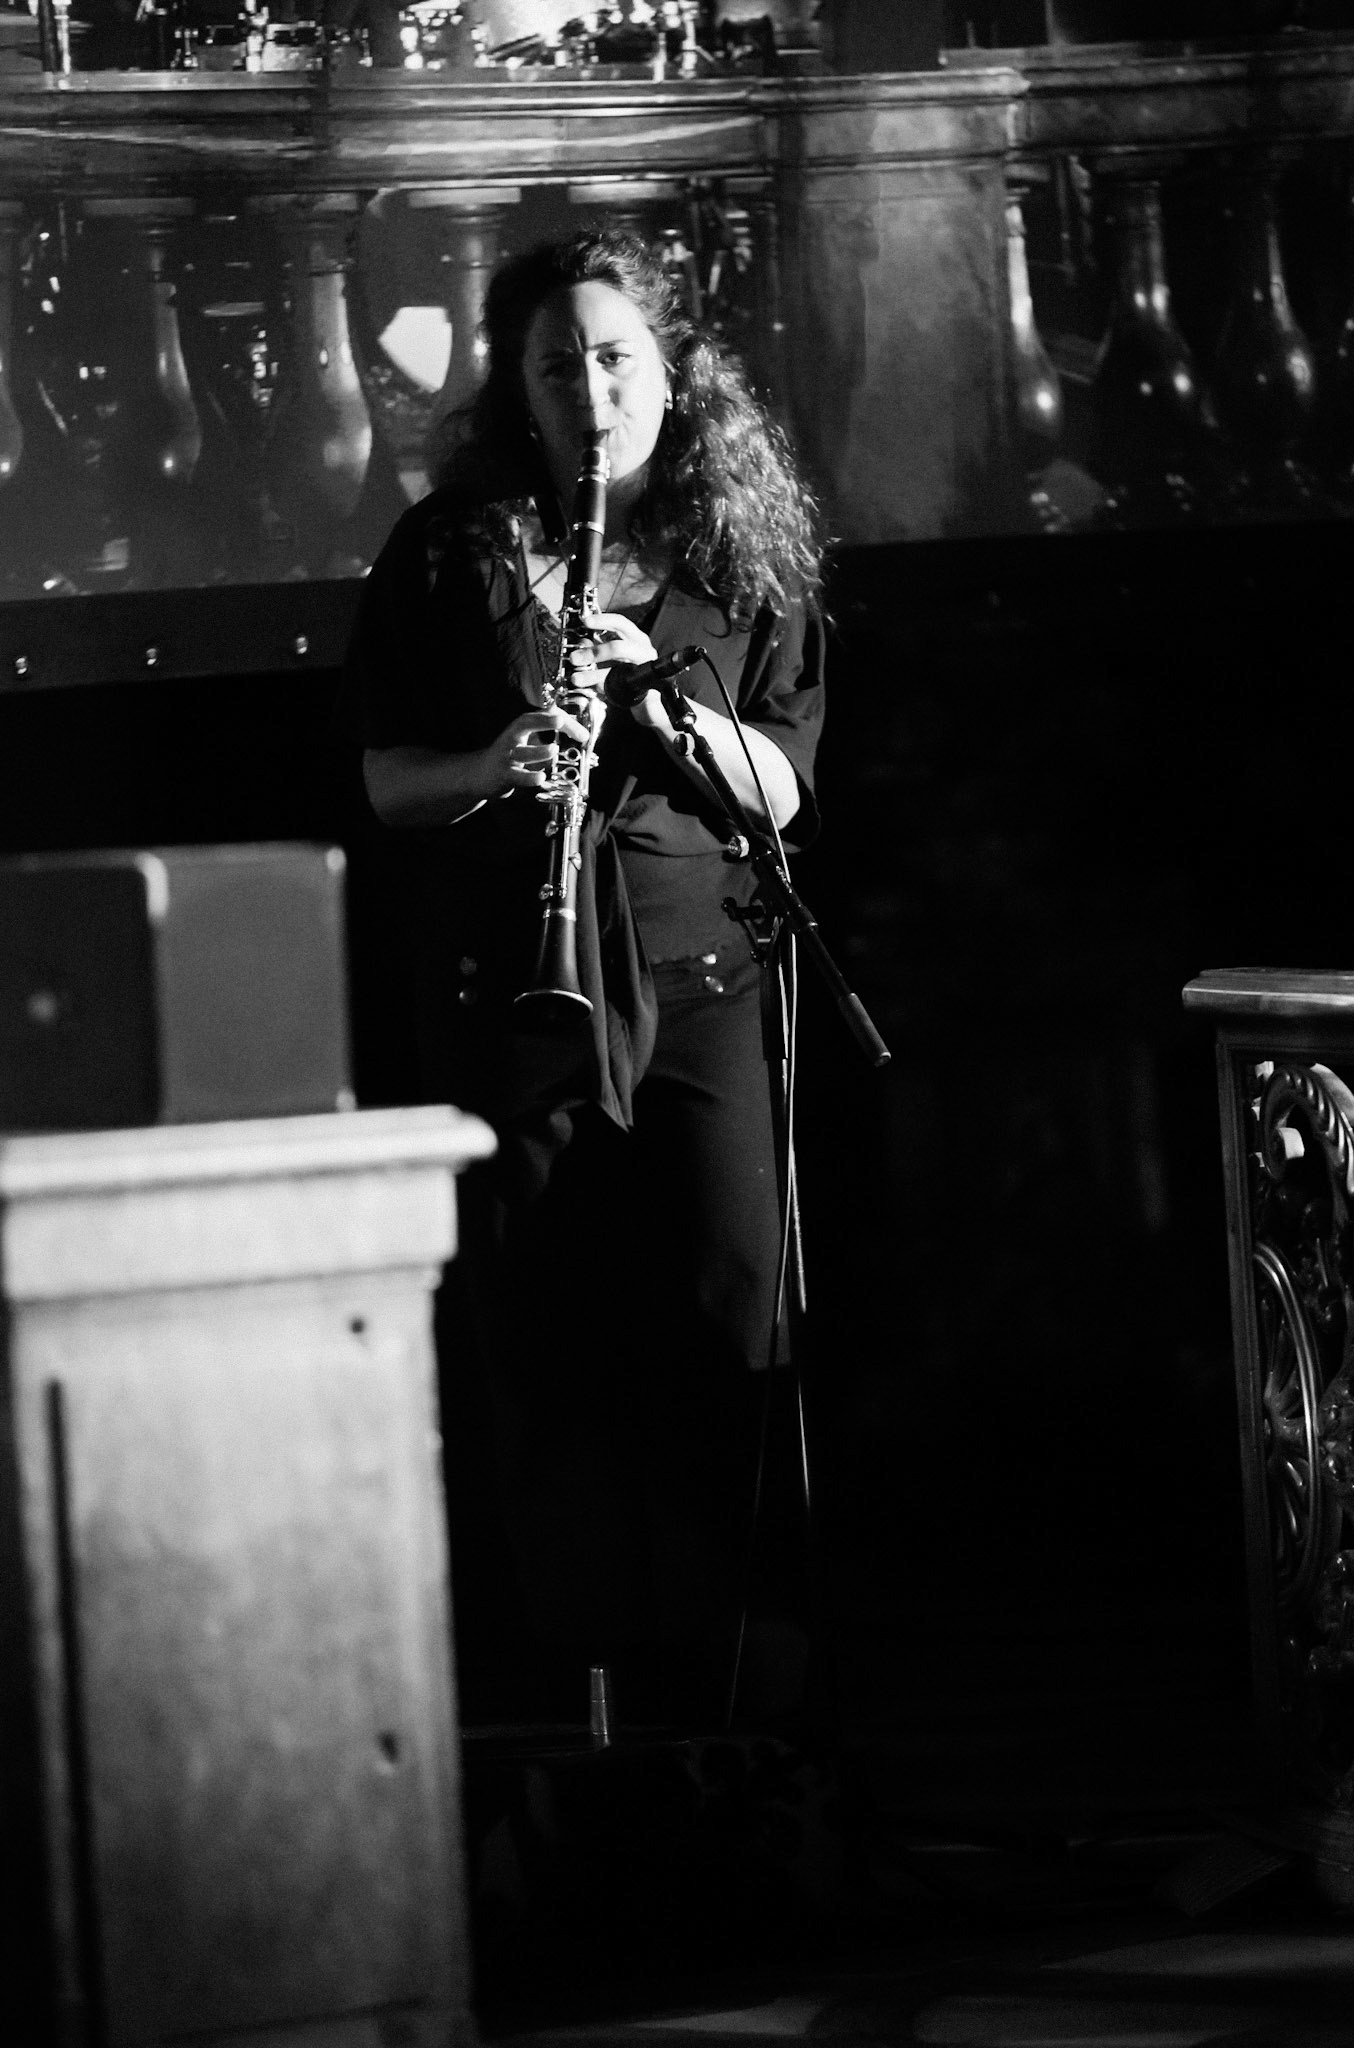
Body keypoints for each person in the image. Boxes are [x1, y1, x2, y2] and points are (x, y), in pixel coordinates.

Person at [345, 227, 826, 1730]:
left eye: (615, 358)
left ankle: (740, 1708)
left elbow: (784, 786)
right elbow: (383, 781)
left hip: (704, 986)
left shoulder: (741, 554)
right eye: (559, 368)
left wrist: (657, 694)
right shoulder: (447, 551)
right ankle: (590, 1717)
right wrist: (500, 758)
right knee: (546, 1356)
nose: (591, 390)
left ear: (670, 373)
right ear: (524, 394)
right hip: (520, 1000)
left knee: (725, 1323)